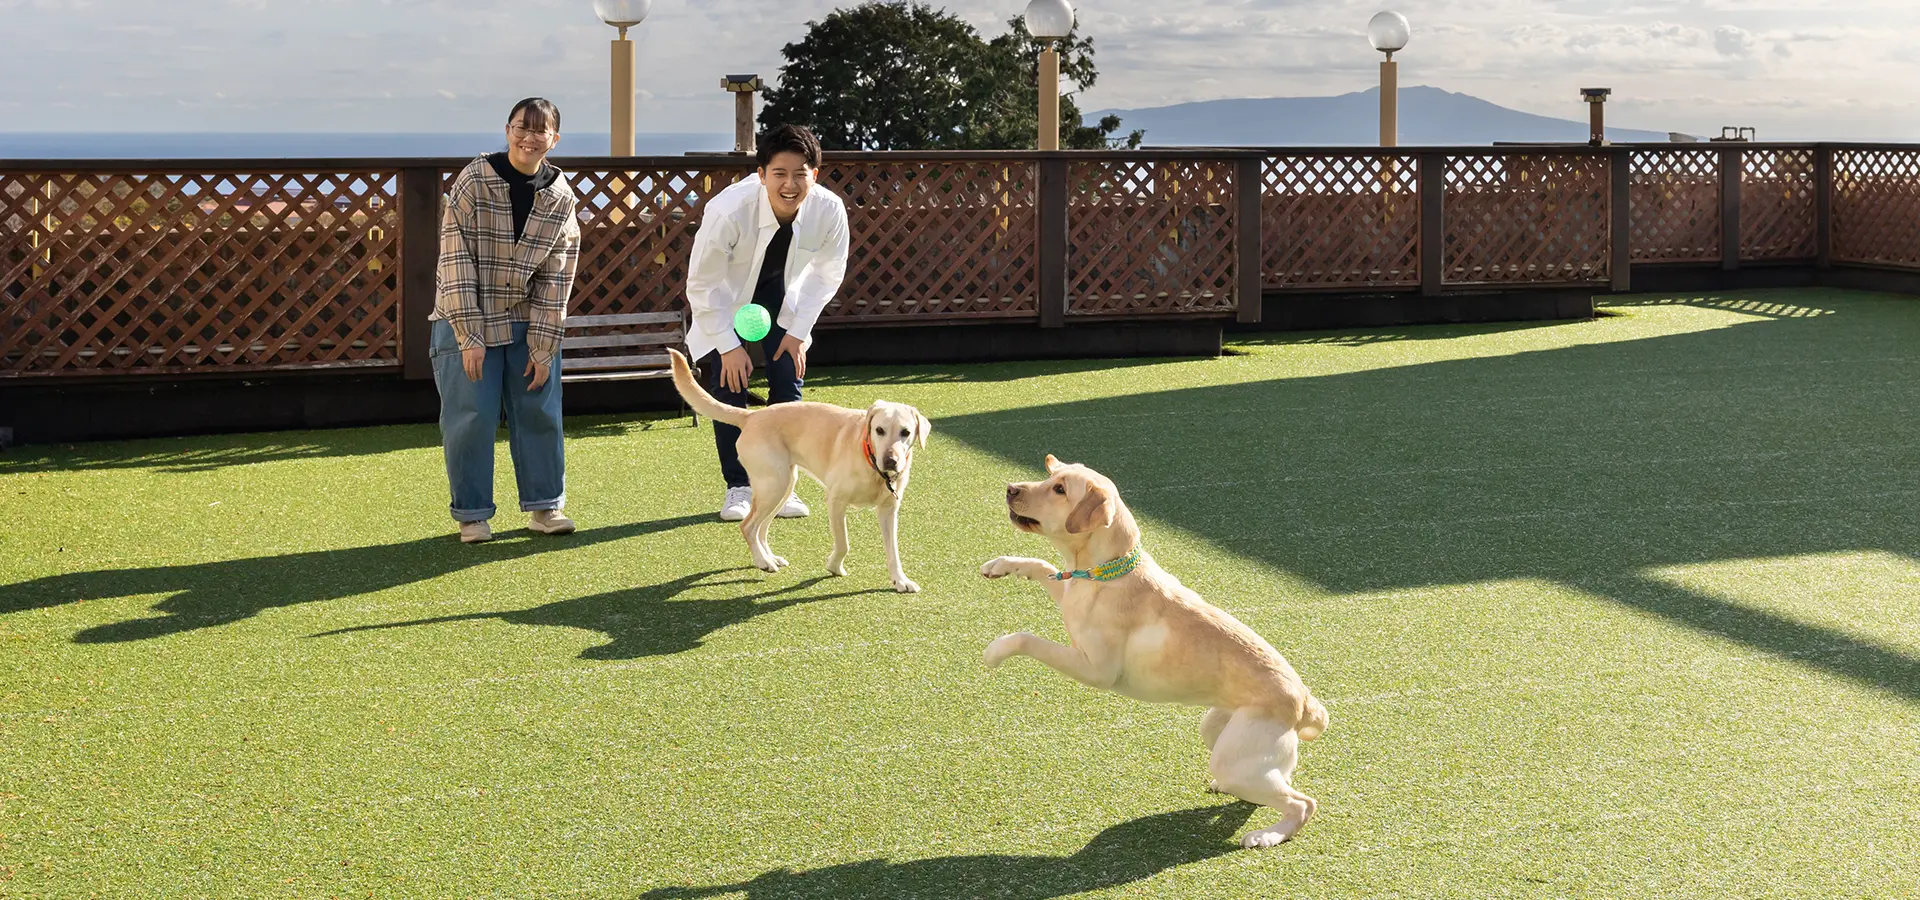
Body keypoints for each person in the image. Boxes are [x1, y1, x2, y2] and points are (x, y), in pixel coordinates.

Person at [429, 97, 582, 543]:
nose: (529, 137)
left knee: (540, 412)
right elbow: (454, 258)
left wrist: (543, 345)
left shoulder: (561, 197)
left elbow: (558, 276)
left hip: (527, 321)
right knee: (470, 417)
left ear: (555, 139)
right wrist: (468, 334)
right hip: (465, 316)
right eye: (522, 127)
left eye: (540, 130)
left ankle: (545, 507)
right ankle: (472, 515)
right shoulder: (474, 178)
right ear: (507, 129)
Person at [685, 124, 850, 521]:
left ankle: (783, 487)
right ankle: (738, 487)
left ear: (816, 174)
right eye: (779, 173)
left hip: (785, 302)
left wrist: (798, 332)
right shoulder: (728, 210)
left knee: (787, 385)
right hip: (727, 302)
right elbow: (703, 283)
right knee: (730, 388)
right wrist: (727, 345)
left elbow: (828, 274)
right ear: (761, 175)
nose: (789, 184)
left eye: (800, 173)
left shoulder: (829, 210)